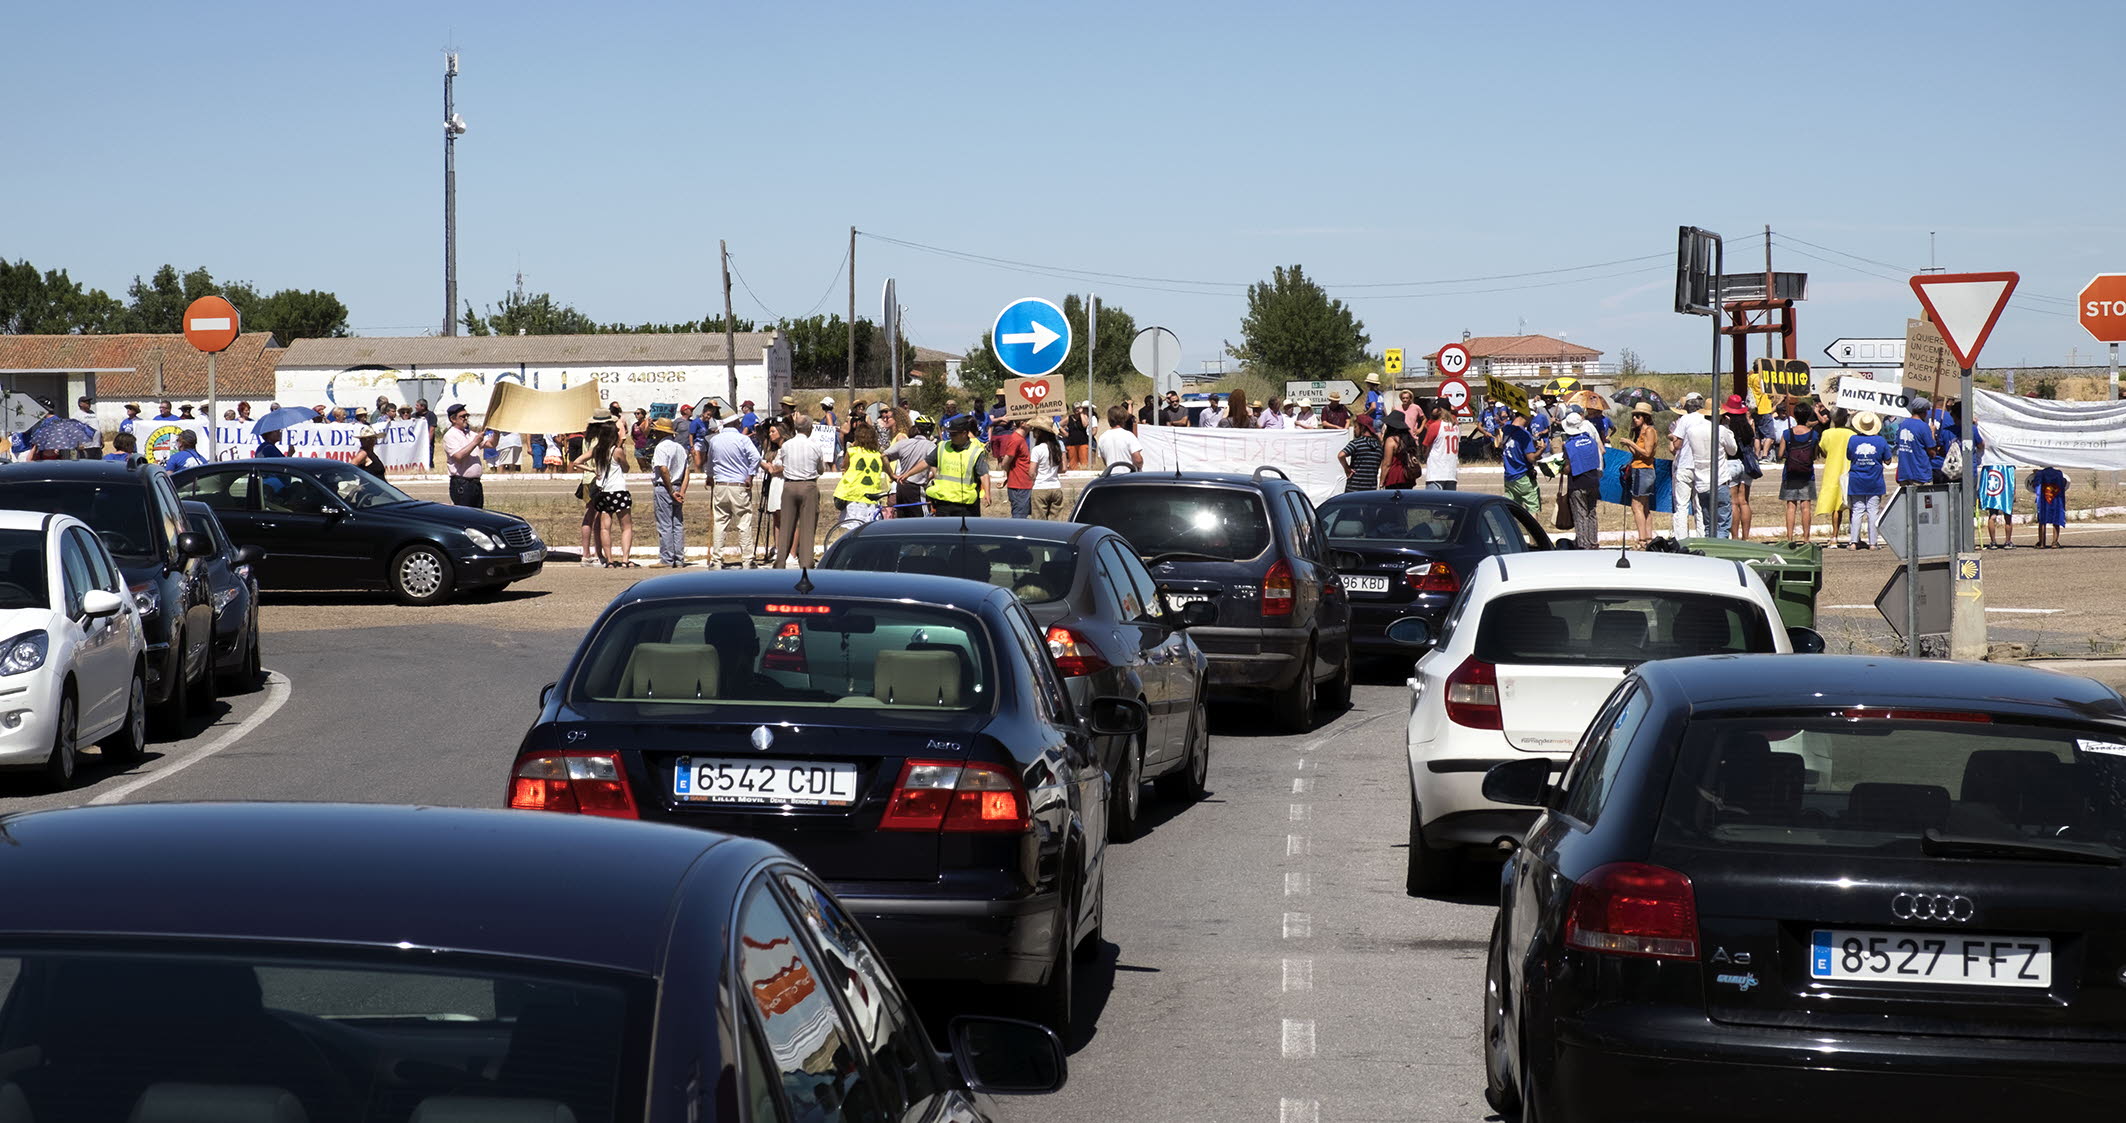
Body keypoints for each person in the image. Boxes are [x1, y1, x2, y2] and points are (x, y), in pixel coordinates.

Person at [578, 413, 637, 567]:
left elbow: (576, 462)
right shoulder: (616, 451)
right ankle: (625, 559)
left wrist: (591, 470)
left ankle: (609, 560)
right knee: (626, 526)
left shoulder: (596, 449)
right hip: (618, 490)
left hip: (603, 492)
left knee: (605, 527)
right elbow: (626, 468)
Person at [769, 416, 826, 568]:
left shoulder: (787, 446)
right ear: (810, 429)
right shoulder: (814, 446)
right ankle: (806, 562)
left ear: (795, 428)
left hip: (789, 486)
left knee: (786, 525)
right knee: (807, 527)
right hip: (808, 486)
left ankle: (780, 561)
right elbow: (821, 469)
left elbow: (777, 464)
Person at [708, 415, 762, 568]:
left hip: (720, 485)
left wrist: (710, 477)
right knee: (744, 522)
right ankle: (747, 560)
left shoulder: (714, 440)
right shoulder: (743, 439)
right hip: (739, 484)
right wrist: (750, 475)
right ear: (736, 423)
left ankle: (717, 560)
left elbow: (710, 461)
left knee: (719, 522)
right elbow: (756, 457)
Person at [924, 416, 990, 519]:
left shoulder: (975, 451)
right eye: (949, 433)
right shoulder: (942, 446)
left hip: (965, 505)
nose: (950, 436)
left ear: (964, 433)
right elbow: (927, 462)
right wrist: (907, 474)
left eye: (953, 434)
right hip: (944, 503)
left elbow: (983, 474)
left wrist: (987, 493)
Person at [1845, 412, 1891, 550]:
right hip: (1875, 480)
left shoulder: (1853, 440)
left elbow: (1849, 456)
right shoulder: (1881, 441)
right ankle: (1873, 543)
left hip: (1857, 480)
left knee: (1857, 510)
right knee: (1873, 511)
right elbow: (1888, 460)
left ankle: (1853, 542)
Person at [1774, 403, 1819, 542]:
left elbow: (1780, 454)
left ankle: (1789, 538)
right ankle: (1806, 538)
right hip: (1807, 473)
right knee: (1806, 506)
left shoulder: (1787, 433)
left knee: (1791, 506)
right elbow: (1814, 455)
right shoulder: (1814, 434)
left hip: (1790, 472)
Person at [1561, 408, 1603, 549]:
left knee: (1580, 514)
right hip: (1593, 481)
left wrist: (1560, 468)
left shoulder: (1569, 445)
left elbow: (1568, 468)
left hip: (1577, 483)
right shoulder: (1591, 441)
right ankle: (1593, 541)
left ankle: (1583, 544)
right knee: (1591, 512)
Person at [1619, 403, 1658, 545]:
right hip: (1639, 469)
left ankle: (1642, 539)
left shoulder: (1649, 431)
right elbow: (1637, 454)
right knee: (1644, 507)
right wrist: (1630, 445)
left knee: (1636, 506)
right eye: (1633, 416)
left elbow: (1647, 453)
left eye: (1638, 416)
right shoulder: (1641, 432)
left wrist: (1631, 442)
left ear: (1645, 417)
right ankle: (1648, 539)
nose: (1635, 418)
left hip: (1644, 471)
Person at [1816, 407, 1855, 547]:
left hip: (1833, 471)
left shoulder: (1827, 433)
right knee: (1853, 505)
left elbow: (1824, 452)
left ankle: (1834, 537)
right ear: (1846, 418)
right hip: (1850, 470)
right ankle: (1854, 536)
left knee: (1836, 507)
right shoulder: (1852, 433)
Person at [1721, 396, 1758, 540]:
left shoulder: (1727, 427)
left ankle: (1735, 537)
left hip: (1731, 463)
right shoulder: (1747, 426)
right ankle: (1746, 536)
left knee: (1734, 502)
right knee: (1744, 501)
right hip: (1746, 465)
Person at [885, 414, 936, 518]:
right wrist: (930, 477)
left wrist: (892, 474)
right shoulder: (930, 445)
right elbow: (933, 464)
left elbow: (883, 456)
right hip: (916, 487)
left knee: (903, 521)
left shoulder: (903, 443)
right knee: (923, 521)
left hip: (901, 487)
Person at [442, 404, 493, 508]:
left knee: (478, 514)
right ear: (453, 419)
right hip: (462, 484)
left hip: (475, 483)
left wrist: (496, 432)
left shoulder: (471, 434)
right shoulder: (450, 436)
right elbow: (459, 456)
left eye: (467, 416)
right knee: (464, 515)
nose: (466, 419)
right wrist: (475, 442)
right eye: (462, 416)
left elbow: (491, 444)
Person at [988, 418, 1033, 518]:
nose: (1032, 423)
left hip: (1024, 484)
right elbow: (1005, 463)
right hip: (1019, 486)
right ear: (1022, 423)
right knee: (1019, 518)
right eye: (1030, 421)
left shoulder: (1021, 439)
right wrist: (1010, 475)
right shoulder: (1016, 439)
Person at [1025, 417, 1067, 519]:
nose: (1033, 432)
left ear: (1040, 432)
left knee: (1039, 524)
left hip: (1040, 488)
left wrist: (1035, 477)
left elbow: (1031, 472)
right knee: (1056, 522)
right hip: (1056, 487)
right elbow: (1063, 468)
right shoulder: (1057, 447)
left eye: (1035, 429)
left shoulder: (1037, 449)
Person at [1894, 397, 1937, 492]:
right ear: (1925, 412)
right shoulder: (1923, 427)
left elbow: (1897, 443)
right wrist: (1932, 433)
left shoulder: (1903, 424)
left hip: (1904, 472)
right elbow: (1932, 452)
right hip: (1920, 473)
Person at [1338, 415, 1384, 493]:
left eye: (1356, 427)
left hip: (1354, 488)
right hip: (1370, 489)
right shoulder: (1378, 446)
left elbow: (1341, 455)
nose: (1354, 430)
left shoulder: (1356, 443)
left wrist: (1347, 468)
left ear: (1362, 427)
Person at [1420, 402, 1459, 491]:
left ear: (1439, 410)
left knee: (1433, 502)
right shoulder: (1455, 426)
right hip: (1451, 472)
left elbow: (1425, 445)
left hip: (1436, 471)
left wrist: (1425, 455)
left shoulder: (1436, 426)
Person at [1978, 459, 2016, 549]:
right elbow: (2012, 477)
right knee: (2007, 515)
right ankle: (2007, 542)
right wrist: (2014, 491)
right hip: (2005, 490)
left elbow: (1984, 477)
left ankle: (1993, 542)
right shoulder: (2008, 461)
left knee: (1992, 515)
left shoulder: (1989, 461)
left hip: (1993, 490)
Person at [2029, 465, 2068, 548]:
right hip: (2056, 499)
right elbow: (2064, 484)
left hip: (2044, 500)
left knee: (2042, 521)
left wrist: (2035, 474)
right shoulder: (2058, 473)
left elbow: (2034, 485)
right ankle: (2054, 542)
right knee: (2056, 520)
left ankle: (2042, 543)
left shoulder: (2040, 473)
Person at [1096, 405, 1145, 471]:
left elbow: (1104, 460)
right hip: (1128, 477)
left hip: (1111, 476)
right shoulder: (1129, 436)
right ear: (1124, 419)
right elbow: (1138, 460)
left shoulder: (1102, 437)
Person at [1379, 410, 1418, 489]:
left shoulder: (1391, 440)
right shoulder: (1408, 439)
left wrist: (1381, 481)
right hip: (1407, 475)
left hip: (1394, 476)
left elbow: (1387, 464)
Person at [1063, 405, 1091, 470]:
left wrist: (1081, 413)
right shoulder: (1069, 418)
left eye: (1078, 408)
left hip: (1083, 442)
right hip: (1071, 443)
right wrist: (1064, 432)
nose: (1077, 410)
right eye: (1075, 408)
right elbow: (1058, 425)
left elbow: (1085, 425)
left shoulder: (1084, 416)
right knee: (1073, 464)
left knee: (1084, 463)